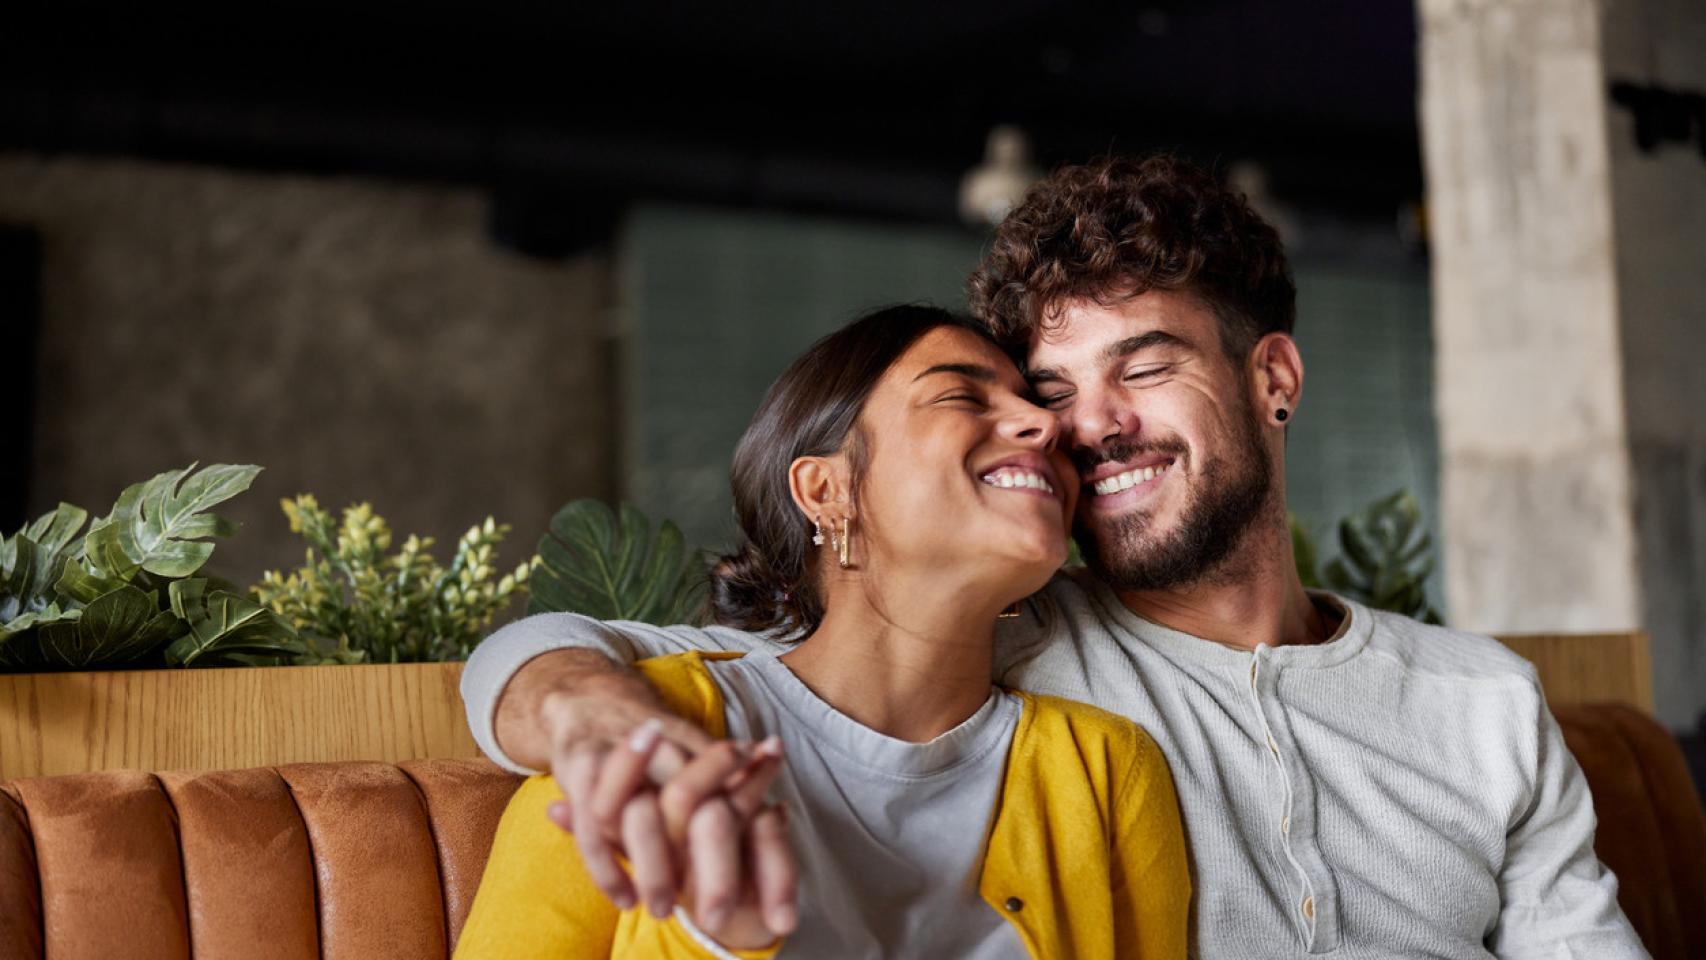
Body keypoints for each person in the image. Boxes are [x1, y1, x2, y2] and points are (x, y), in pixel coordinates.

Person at [461, 155, 1649, 958]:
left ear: (1271, 380)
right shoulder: (1002, 644)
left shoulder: (1481, 700)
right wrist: (590, 717)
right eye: (1050, 389)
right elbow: (626, 665)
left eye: (1142, 367)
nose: (1084, 426)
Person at [455, 305, 1191, 959]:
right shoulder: (641, 742)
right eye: (961, 395)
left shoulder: (1104, 770)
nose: (1048, 425)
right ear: (826, 490)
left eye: (1034, 403)